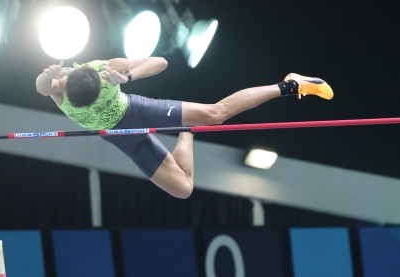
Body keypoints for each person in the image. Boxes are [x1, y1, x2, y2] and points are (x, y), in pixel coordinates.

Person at [36, 57, 333, 199]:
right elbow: (40, 86)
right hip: (120, 137)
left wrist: (126, 77)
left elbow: (160, 63)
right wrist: (46, 76)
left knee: (216, 114)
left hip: (138, 110)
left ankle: (291, 85)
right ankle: (186, 130)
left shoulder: (103, 70)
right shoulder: (61, 87)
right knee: (183, 189)